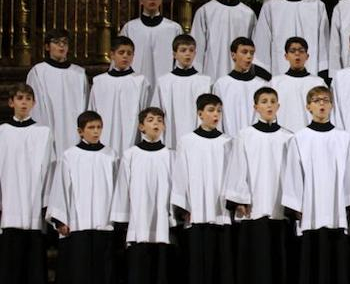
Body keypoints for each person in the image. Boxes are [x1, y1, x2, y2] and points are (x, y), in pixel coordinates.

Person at [282, 85, 350, 284]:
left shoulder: (343, 137)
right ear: (308, 107)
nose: (321, 104)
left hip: (336, 211)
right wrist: (296, 207)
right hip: (310, 211)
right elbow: (294, 173)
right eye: (316, 100)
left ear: (332, 106)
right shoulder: (299, 138)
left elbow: (349, 174)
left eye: (326, 100)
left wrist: (349, 204)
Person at [224, 87, 294, 284]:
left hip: (279, 207)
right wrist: (240, 199)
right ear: (255, 107)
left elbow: (293, 174)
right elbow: (239, 166)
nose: (269, 105)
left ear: (278, 106)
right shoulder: (245, 135)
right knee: (256, 262)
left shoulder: (288, 137)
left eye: (272, 101)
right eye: (264, 101)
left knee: (279, 260)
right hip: (254, 206)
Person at [47, 111, 116, 284]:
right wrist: (60, 220)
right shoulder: (70, 155)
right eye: (91, 127)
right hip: (78, 224)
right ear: (80, 131)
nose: (96, 131)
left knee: (103, 271)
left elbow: (118, 189)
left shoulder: (111, 155)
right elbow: (60, 186)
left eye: (99, 127)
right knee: (79, 271)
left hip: (104, 222)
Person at [172, 93, 234, 284]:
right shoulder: (187, 141)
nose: (216, 115)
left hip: (220, 211)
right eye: (211, 110)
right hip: (196, 211)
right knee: (197, 264)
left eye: (219, 111)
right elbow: (181, 174)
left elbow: (232, 174)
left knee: (221, 264)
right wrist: (182, 207)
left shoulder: (227, 141)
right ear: (200, 113)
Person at [110, 107, 176, 284]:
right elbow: (123, 188)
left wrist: (175, 215)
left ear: (164, 126)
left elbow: (176, 187)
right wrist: (123, 220)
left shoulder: (171, 155)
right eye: (151, 120)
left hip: (163, 222)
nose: (156, 123)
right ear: (141, 127)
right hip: (138, 221)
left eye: (160, 120)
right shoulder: (131, 154)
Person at [0, 84, 55, 284]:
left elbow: (49, 167)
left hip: (34, 203)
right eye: (20, 98)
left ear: (34, 103)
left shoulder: (43, 132)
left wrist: (46, 202)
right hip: (9, 204)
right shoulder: (2, 132)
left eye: (28, 99)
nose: (24, 102)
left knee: (34, 265)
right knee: (10, 264)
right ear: (11, 102)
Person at [254, 0, 330, 77]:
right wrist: (264, 72)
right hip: (280, 72)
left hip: (310, 72)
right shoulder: (270, 7)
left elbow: (323, 42)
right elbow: (262, 40)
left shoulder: (317, 6)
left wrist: (323, 71)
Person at [191, 0, 258, 82]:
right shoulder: (205, 11)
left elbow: (254, 46)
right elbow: (198, 46)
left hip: (241, 74)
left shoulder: (248, 14)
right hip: (212, 72)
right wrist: (198, 79)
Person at [26, 28, 89, 153]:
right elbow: (35, 108)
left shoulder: (79, 73)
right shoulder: (38, 72)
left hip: (74, 133)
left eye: (65, 42)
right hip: (49, 130)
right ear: (47, 47)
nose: (61, 45)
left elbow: (85, 105)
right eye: (56, 42)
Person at [89, 36, 151, 156]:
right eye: (121, 52)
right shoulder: (99, 81)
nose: (125, 56)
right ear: (112, 55)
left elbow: (145, 113)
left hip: (131, 136)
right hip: (103, 135)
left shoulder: (140, 81)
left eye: (129, 53)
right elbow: (92, 112)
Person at [150, 34, 212, 149]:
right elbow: (156, 113)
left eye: (191, 50)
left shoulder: (204, 82)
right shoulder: (164, 82)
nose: (188, 54)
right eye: (183, 50)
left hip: (198, 142)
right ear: (174, 54)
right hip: (171, 140)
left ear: (195, 53)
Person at [119, 0, 183, 88]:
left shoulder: (173, 28)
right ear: (141, 0)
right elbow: (120, 57)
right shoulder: (130, 28)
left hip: (165, 85)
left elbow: (180, 59)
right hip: (135, 84)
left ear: (161, 0)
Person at [213, 37, 270, 135]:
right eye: (244, 52)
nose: (249, 56)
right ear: (233, 55)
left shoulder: (261, 85)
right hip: (229, 139)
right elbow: (217, 117)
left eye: (251, 53)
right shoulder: (221, 84)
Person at [270, 37, 326, 133]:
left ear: (307, 56)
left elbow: (325, 112)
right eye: (292, 51)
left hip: (311, 136)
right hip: (283, 135)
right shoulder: (275, 83)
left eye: (301, 51)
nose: (297, 54)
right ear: (286, 56)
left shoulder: (318, 83)